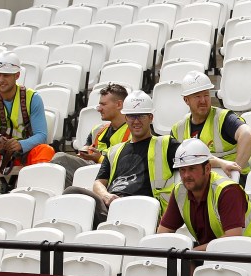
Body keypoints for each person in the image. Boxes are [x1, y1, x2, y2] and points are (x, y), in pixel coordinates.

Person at [63, 90, 179, 225]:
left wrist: (209, 161)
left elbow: (192, 157)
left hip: (143, 207)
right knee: (71, 193)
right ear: (125, 118)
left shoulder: (165, 143)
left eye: (141, 116)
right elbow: (99, 183)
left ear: (151, 117)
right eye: (131, 116)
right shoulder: (114, 151)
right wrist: (106, 196)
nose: (136, 121)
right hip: (111, 205)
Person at [157, 139, 251, 254]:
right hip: (216, 255)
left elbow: (232, 240)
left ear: (207, 169)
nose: (186, 175)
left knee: (186, 262)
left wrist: (192, 253)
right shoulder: (179, 191)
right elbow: (163, 233)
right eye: (182, 170)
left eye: (192, 169)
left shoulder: (228, 191)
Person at [0, 51, 53, 203]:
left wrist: (21, 145)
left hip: (24, 153)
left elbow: (42, 135)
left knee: (46, 150)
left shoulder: (32, 98)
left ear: (17, 75)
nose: (0, 80)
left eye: (6, 75)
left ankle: (39, 198)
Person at [169, 71, 251, 178]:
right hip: (199, 183)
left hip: (231, 179)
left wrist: (235, 171)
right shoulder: (178, 130)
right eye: (197, 96)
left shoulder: (223, 118)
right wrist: (219, 162)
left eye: (206, 95)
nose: (203, 100)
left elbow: (248, 135)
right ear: (186, 100)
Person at [51, 83, 130, 187]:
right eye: (99, 104)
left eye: (104, 104)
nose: (99, 108)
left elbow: (129, 164)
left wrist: (99, 158)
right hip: (92, 172)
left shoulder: (133, 132)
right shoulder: (98, 130)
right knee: (62, 172)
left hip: (116, 176)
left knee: (60, 158)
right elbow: (85, 150)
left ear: (119, 105)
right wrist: (84, 154)